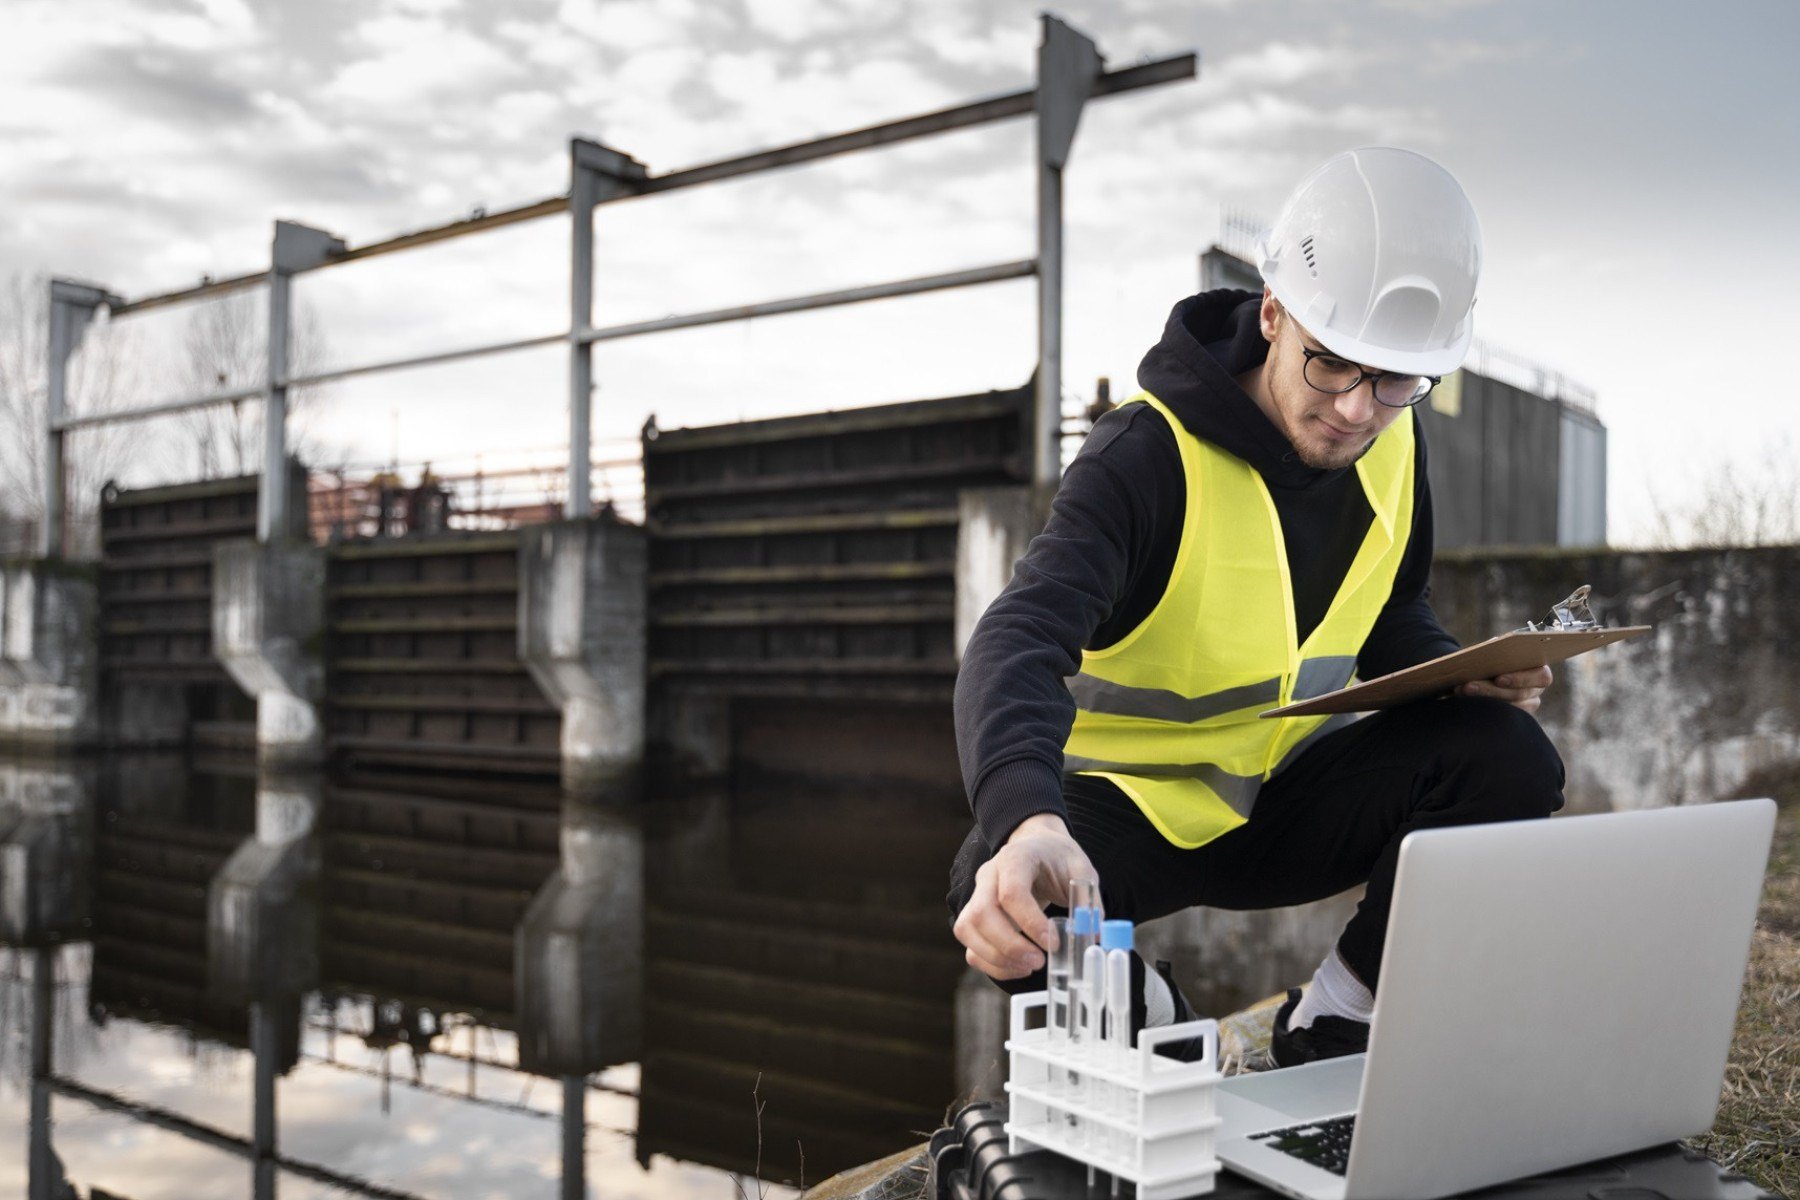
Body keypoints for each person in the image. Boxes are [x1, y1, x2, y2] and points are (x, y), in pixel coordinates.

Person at [947, 146, 1565, 1067]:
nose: (1359, 411)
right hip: (1138, 814)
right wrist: (1031, 818)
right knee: (997, 885)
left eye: (1396, 381)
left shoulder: (1396, 443)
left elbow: (1391, 612)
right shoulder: (1144, 461)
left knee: (1509, 757)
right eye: (1332, 367)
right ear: (1274, 314)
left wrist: (1455, 680)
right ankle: (1167, 1032)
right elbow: (1020, 636)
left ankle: (1337, 1020)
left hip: (1290, 801)